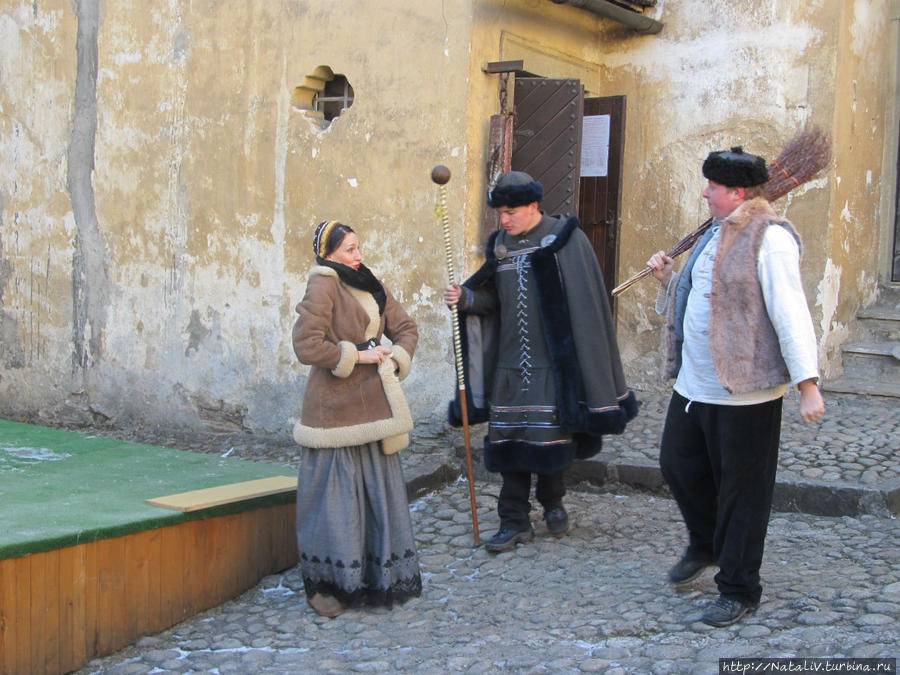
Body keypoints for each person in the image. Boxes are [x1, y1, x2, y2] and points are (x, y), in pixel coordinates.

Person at [646, 147, 826, 627]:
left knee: (742, 492)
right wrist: (669, 278)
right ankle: (706, 543)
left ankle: (739, 588)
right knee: (678, 465)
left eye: (712, 186)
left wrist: (807, 384)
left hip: (746, 391)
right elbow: (704, 294)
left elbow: (791, 312)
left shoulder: (771, 239)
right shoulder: (713, 232)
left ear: (736, 192)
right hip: (695, 384)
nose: (704, 192)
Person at [444, 171, 638, 553]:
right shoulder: (499, 245)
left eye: (511, 211)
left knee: (551, 440)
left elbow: (586, 306)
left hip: (555, 365)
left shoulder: (566, 240)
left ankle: (553, 502)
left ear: (533, 205)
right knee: (511, 443)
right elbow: (492, 302)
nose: (504, 219)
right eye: (500, 212)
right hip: (510, 367)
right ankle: (513, 521)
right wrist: (466, 299)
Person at [291, 220, 422, 617]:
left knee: (377, 496)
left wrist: (396, 358)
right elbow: (306, 344)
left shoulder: (368, 282)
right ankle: (330, 586)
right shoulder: (324, 282)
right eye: (349, 249)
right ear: (329, 254)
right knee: (335, 500)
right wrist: (357, 356)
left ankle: (372, 579)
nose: (358, 255)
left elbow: (406, 327)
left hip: (374, 406)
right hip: (333, 409)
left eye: (358, 247)